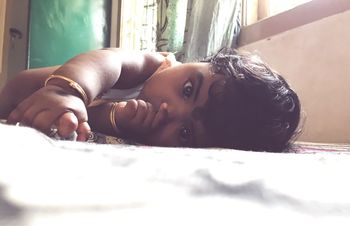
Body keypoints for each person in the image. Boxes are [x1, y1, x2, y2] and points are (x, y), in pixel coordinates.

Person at [0, 47, 301, 152]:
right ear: (193, 62)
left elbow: (90, 121)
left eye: (186, 134)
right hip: (16, 94)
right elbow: (107, 62)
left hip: (22, 121)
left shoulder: (140, 131)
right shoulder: (151, 64)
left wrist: (116, 119)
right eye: (187, 90)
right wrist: (67, 92)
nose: (169, 111)